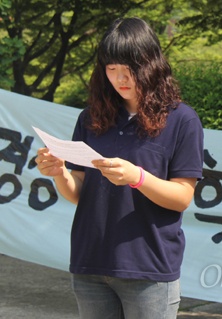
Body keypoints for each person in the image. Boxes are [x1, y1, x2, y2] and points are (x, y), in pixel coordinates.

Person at [35, 17, 204, 319]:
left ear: (151, 64)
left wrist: (137, 177)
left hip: (148, 269)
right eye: (111, 69)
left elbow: (182, 197)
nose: (120, 79)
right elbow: (78, 192)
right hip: (90, 265)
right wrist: (59, 172)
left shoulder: (182, 120)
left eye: (129, 70)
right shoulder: (91, 117)